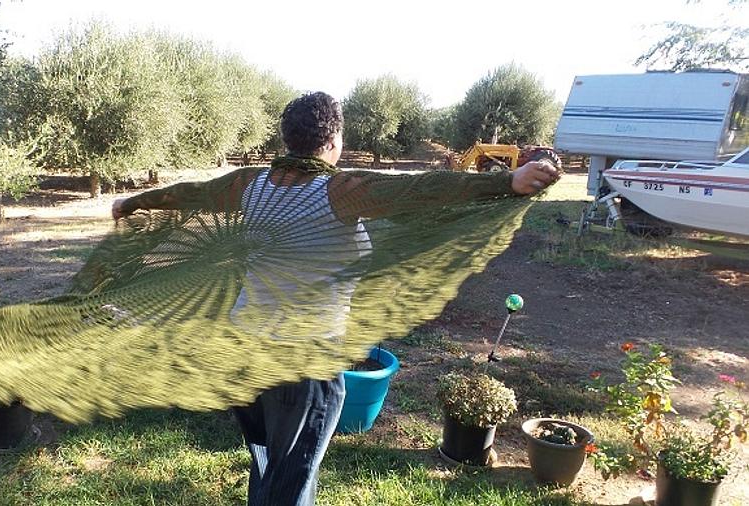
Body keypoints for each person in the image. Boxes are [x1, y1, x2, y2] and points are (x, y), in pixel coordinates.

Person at [112, 92, 559, 505]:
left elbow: (186, 194)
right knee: (290, 480)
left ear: (288, 138)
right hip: (303, 363)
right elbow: (421, 190)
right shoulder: (337, 191)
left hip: (244, 353)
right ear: (334, 139)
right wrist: (507, 183)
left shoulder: (250, 184)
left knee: (269, 466)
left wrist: (131, 204)